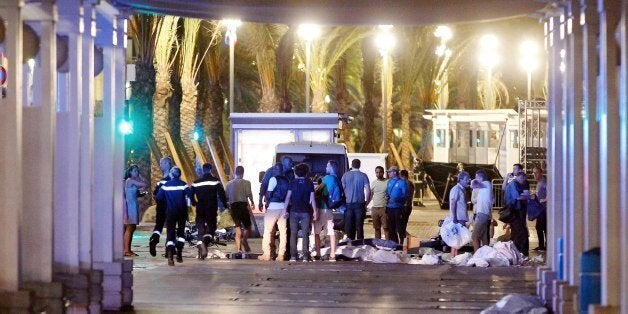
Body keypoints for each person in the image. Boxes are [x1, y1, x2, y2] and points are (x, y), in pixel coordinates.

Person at [191, 163, 229, 260]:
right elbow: (222, 194)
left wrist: (194, 202)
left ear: (203, 170)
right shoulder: (215, 182)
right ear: (210, 170)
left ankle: (200, 250)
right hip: (211, 207)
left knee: (200, 229)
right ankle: (204, 243)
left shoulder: (196, 182)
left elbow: (191, 194)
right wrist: (225, 205)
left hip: (200, 207)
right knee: (211, 228)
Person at [155, 167, 192, 266]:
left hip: (170, 212)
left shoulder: (166, 185)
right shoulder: (184, 185)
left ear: (171, 174)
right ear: (179, 175)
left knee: (170, 232)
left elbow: (158, 197)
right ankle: (179, 253)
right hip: (182, 212)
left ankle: (170, 255)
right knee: (181, 233)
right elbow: (190, 194)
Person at [284, 163, 318, 262]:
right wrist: (315, 211)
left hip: (294, 211)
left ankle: (293, 256)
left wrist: (284, 210)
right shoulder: (309, 183)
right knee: (305, 234)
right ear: (306, 173)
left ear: (296, 172)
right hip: (305, 211)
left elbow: (288, 197)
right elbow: (312, 199)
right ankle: (305, 256)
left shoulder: (292, 182)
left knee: (293, 233)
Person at [258, 163, 289, 261]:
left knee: (268, 231)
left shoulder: (273, 179)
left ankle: (267, 254)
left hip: (273, 208)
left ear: (276, 170)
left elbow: (269, 194)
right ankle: (281, 255)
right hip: (283, 208)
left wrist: (266, 200)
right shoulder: (287, 181)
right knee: (283, 232)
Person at [314, 160, 341, 261]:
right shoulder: (337, 179)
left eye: (327, 166)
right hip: (330, 209)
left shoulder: (326, 179)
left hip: (321, 209)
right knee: (331, 232)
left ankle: (318, 254)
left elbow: (318, 193)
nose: (325, 168)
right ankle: (333, 255)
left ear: (331, 167)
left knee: (316, 232)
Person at [225, 166, 256, 255]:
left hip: (233, 207)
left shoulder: (228, 184)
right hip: (243, 206)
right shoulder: (247, 183)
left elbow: (226, 196)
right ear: (243, 173)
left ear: (235, 173)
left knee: (237, 228)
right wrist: (252, 202)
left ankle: (239, 249)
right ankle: (244, 239)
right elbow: (249, 193)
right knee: (248, 226)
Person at [149, 156, 174, 257]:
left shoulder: (161, 181)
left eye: (162, 163)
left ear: (168, 164)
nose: (160, 165)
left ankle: (154, 240)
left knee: (158, 226)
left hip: (161, 206)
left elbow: (156, 193)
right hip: (170, 206)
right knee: (171, 227)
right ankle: (169, 250)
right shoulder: (172, 179)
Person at [341, 159, 371, 241]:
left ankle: (350, 244)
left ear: (352, 165)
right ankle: (360, 244)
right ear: (359, 165)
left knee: (349, 227)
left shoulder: (345, 175)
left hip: (348, 204)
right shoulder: (363, 175)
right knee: (359, 227)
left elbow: (341, 190)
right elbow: (368, 190)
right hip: (360, 204)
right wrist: (366, 203)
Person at [504, 171, 530, 256]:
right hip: (514, 211)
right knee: (521, 232)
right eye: (524, 179)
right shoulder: (514, 184)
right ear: (521, 177)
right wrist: (529, 196)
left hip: (513, 211)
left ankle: (516, 251)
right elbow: (517, 197)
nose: (524, 181)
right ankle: (520, 251)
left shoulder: (513, 184)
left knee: (516, 232)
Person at [123, 164, 147, 257]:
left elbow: (140, 189)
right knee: (130, 227)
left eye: (138, 171)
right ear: (130, 172)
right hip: (130, 206)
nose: (137, 172)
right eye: (135, 171)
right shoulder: (130, 181)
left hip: (133, 205)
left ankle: (126, 249)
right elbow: (144, 184)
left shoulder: (131, 181)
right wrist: (140, 176)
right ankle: (127, 250)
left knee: (130, 228)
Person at [470, 170, 493, 251]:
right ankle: (486, 254)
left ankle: (477, 256)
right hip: (484, 214)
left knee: (474, 236)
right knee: (483, 236)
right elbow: (473, 187)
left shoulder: (486, 183)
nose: (475, 178)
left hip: (482, 214)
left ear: (480, 177)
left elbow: (473, 184)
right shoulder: (483, 187)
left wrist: (473, 180)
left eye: (476, 177)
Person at [449, 171, 470, 257]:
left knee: (458, 238)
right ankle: (454, 255)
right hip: (458, 218)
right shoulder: (456, 189)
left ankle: (454, 255)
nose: (468, 181)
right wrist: (454, 217)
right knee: (457, 238)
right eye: (466, 179)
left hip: (461, 217)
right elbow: (453, 203)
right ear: (460, 180)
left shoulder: (462, 189)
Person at [385, 166, 407, 244]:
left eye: (389, 172)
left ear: (395, 172)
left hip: (398, 208)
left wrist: (396, 199)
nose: (388, 173)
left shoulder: (402, 182)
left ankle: (403, 244)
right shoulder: (389, 182)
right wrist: (386, 196)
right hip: (390, 208)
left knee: (400, 228)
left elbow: (405, 196)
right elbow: (387, 192)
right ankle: (394, 244)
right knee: (391, 228)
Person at [370, 166, 389, 239]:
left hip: (384, 208)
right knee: (377, 229)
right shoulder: (374, 183)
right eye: (377, 172)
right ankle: (378, 245)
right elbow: (371, 195)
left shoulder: (387, 182)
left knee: (386, 228)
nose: (378, 174)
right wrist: (366, 204)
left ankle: (388, 245)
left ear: (383, 172)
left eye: (380, 172)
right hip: (375, 209)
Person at [532, 166, 547, 251]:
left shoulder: (544, 182)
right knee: (539, 227)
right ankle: (541, 245)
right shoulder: (539, 182)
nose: (534, 174)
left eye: (536, 172)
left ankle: (545, 245)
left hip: (545, 209)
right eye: (533, 173)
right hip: (540, 209)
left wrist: (543, 200)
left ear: (541, 173)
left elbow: (551, 193)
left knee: (544, 228)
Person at [398, 170, 414, 241]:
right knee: (403, 225)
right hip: (408, 206)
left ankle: (405, 241)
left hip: (402, 207)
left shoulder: (402, 183)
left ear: (401, 175)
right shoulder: (411, 184)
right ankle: (405, 240)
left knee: (400, 227)